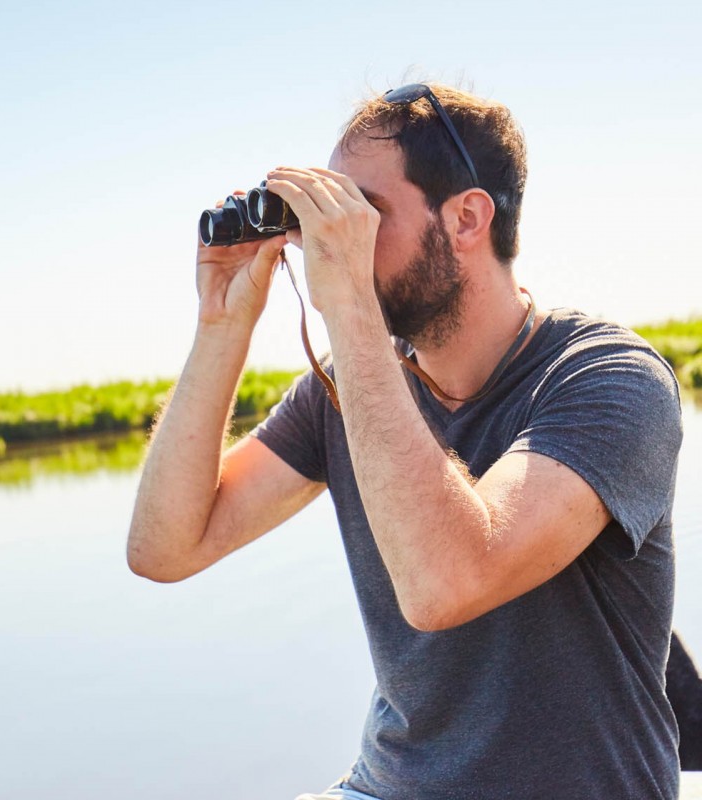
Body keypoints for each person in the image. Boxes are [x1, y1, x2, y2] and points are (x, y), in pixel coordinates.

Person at [126, 83, 683, 799]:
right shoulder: (350, 388)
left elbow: (446, 584)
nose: (334, 241)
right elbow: (165, 548)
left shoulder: (608, 381)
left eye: (363, 213)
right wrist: (221, 326)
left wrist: (349, 303)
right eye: (328, 216)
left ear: (467, 218)